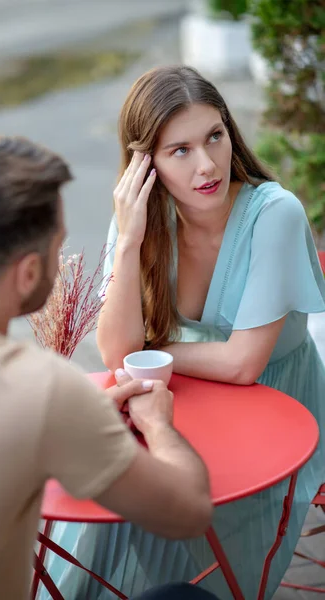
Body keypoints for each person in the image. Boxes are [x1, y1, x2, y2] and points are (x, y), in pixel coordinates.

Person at [0, 136, 216, 600]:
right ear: (26, 274)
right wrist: (158, 425)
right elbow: (189, 512)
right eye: (58, 246)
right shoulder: (36, 388)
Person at [83, 64, 325, 598]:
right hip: (185, 403)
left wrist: (153, 350)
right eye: (181, 151)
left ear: (229, 129)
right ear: (145, 164)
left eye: (214, 136)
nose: (208, 164)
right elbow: (115, 351)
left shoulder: (273, 214)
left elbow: (242, 365)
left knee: (180, 509)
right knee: (111, 493)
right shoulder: (141, 220)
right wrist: (127, 243)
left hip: (275, 408)